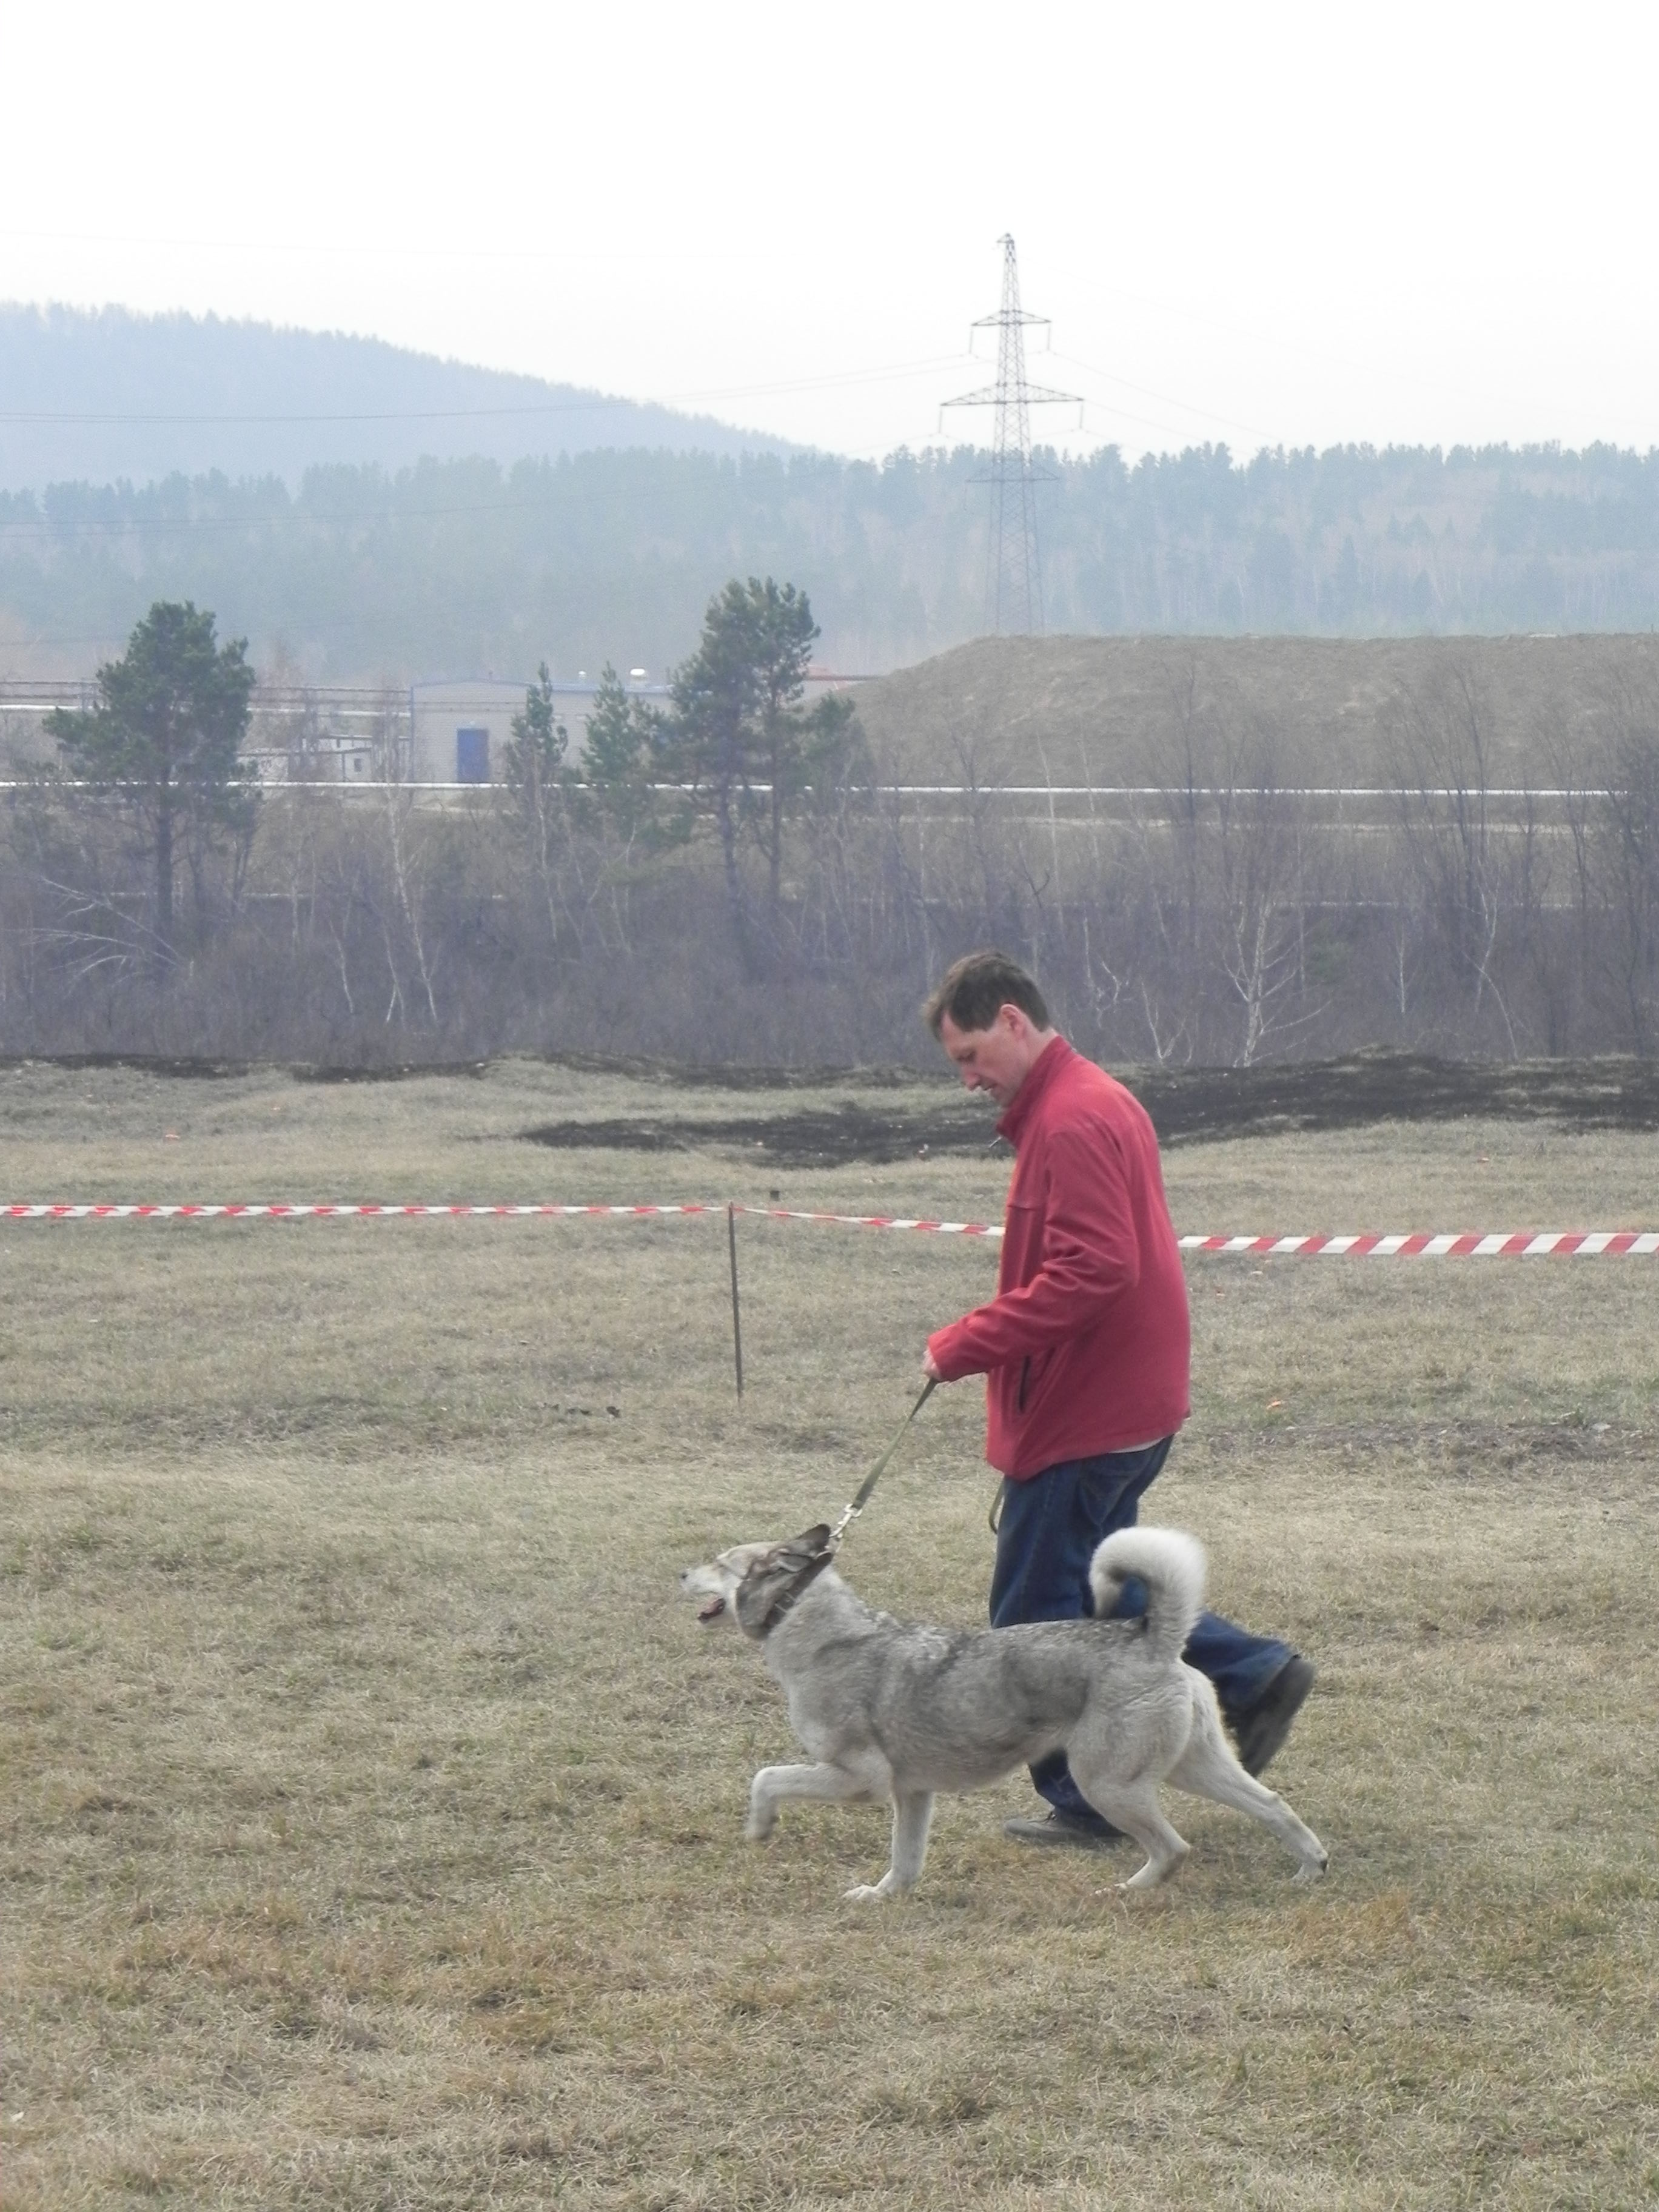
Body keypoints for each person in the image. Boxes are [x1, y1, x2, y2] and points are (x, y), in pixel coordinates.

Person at [920, 949, 1315, 1849]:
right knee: (1102, 1597)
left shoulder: (1070, 1119)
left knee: (1032, 1622)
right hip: (1123, 1400)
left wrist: (964, 1344)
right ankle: (1255, 1676)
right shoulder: (1092, 1098)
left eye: (971, 1056)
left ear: (1013, 1020)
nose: (968, 1079)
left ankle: (1090, 1798)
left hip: (1085, 1410)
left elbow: (1094, 1272)